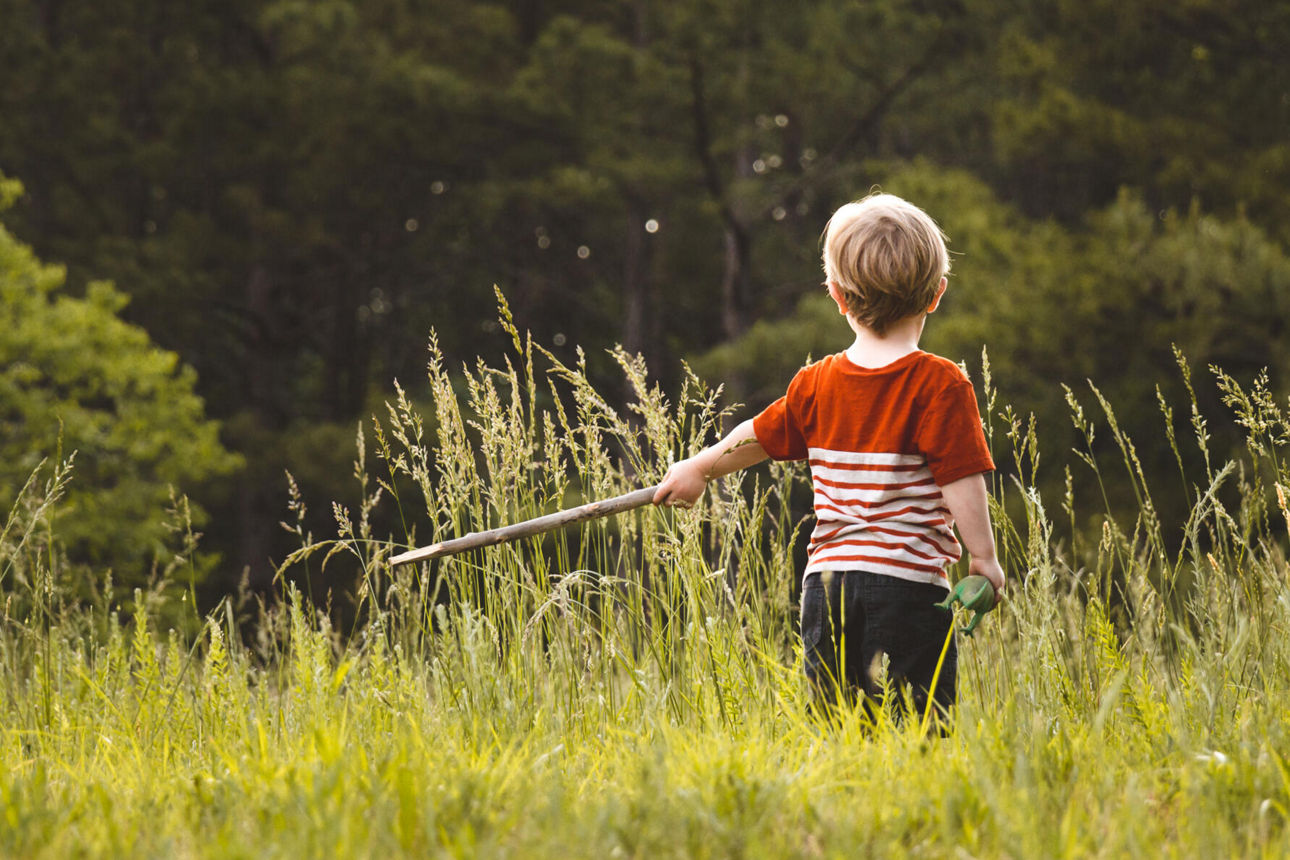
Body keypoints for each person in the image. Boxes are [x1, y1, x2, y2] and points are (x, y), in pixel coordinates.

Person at [653, 192, 1005, 723]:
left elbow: (756, 437)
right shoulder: (941, 384)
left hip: (827, 584)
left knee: (837, 723)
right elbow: (961, 479)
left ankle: (843, 800)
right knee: (923, 723)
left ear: (837, 296)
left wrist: (698, 466)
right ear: (936, 295)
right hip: (909, 584)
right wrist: (983, 558)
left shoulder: (815, 383)